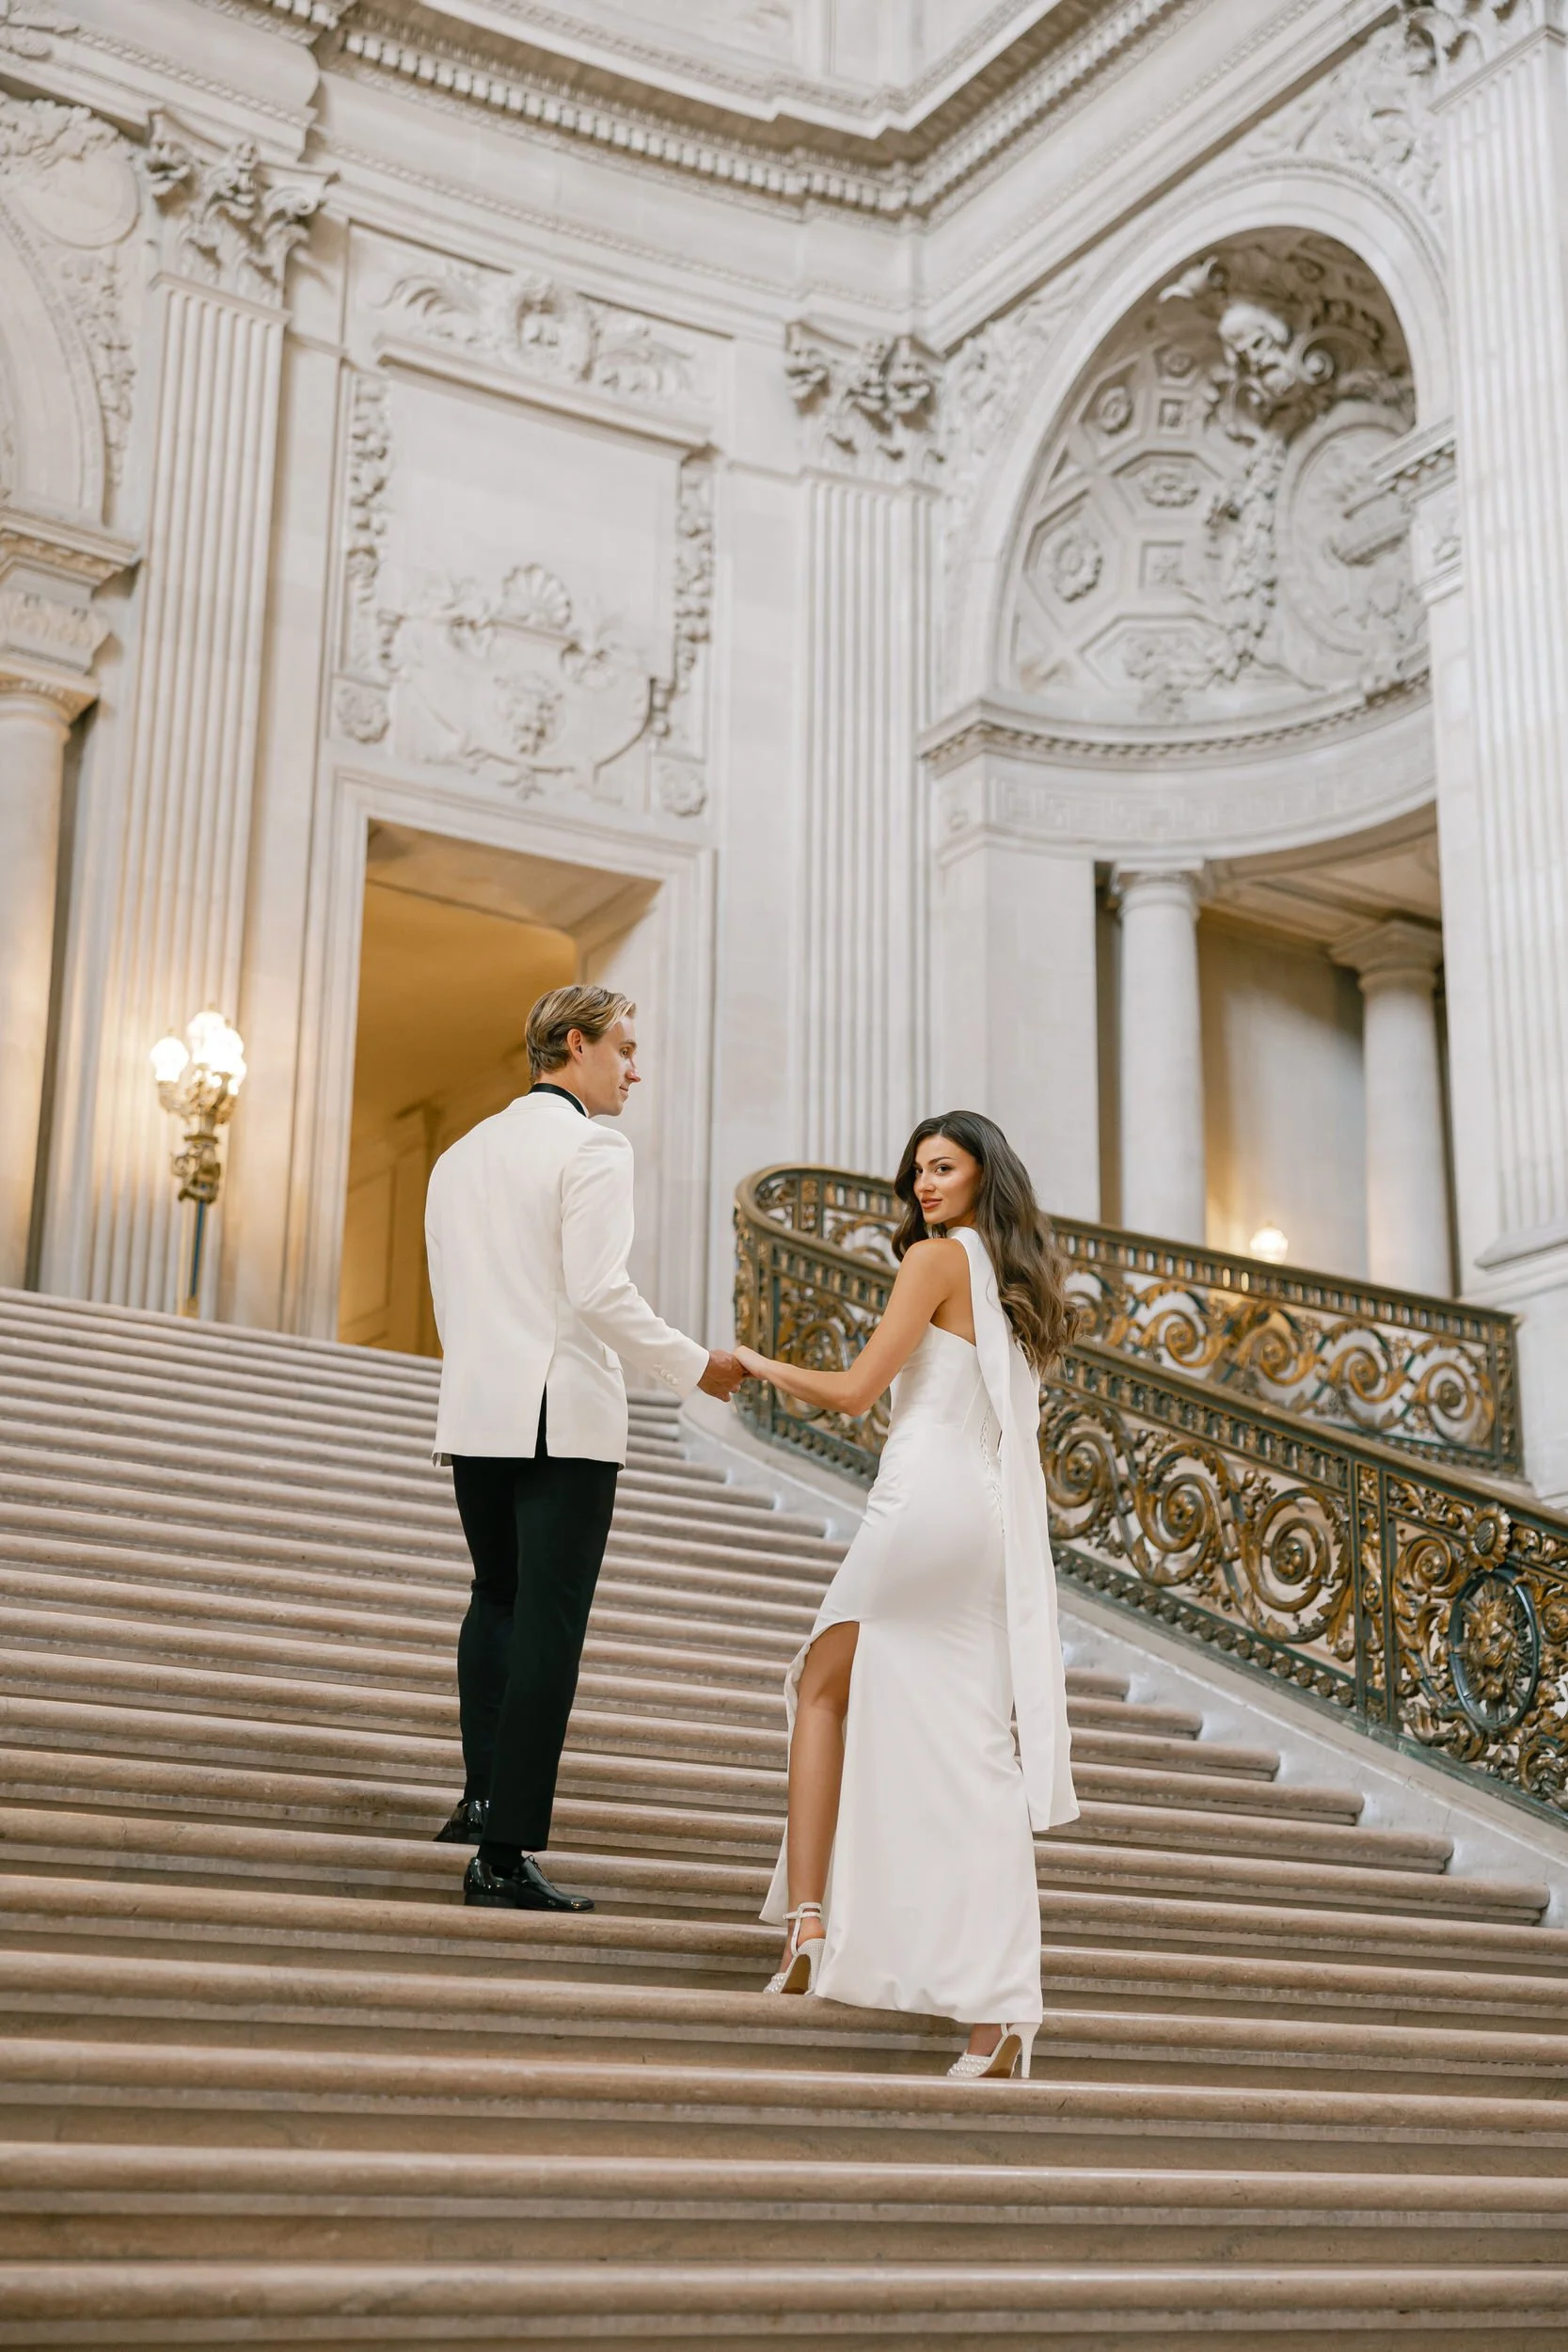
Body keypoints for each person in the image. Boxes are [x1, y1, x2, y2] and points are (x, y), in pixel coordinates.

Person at [736, 1111, 1079, 2078]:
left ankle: (808, 1921)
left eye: (942, 1167)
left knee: (818, 1684)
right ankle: (999, 2010)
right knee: (966, 1747)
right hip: (979, 1530)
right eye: (915, 1172)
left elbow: (852, 1393)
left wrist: (754, 1362)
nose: (922, 1186)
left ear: (981, 1177)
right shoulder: (1012, 1292)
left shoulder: (935, 1261)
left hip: (921, 1508)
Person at [425, 983, 744, 1912]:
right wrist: (697, 1366)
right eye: (625, 1049)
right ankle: (502, 1849)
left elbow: (454, 1299)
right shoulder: (594, 1147)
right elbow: (600, 1293)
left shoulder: (459, 1154)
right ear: (575, 1045)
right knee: (547, 1633)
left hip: (478, 1410)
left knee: (495, 1601)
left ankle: (482, 1795)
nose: (635, 1070)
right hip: (559, 1414)